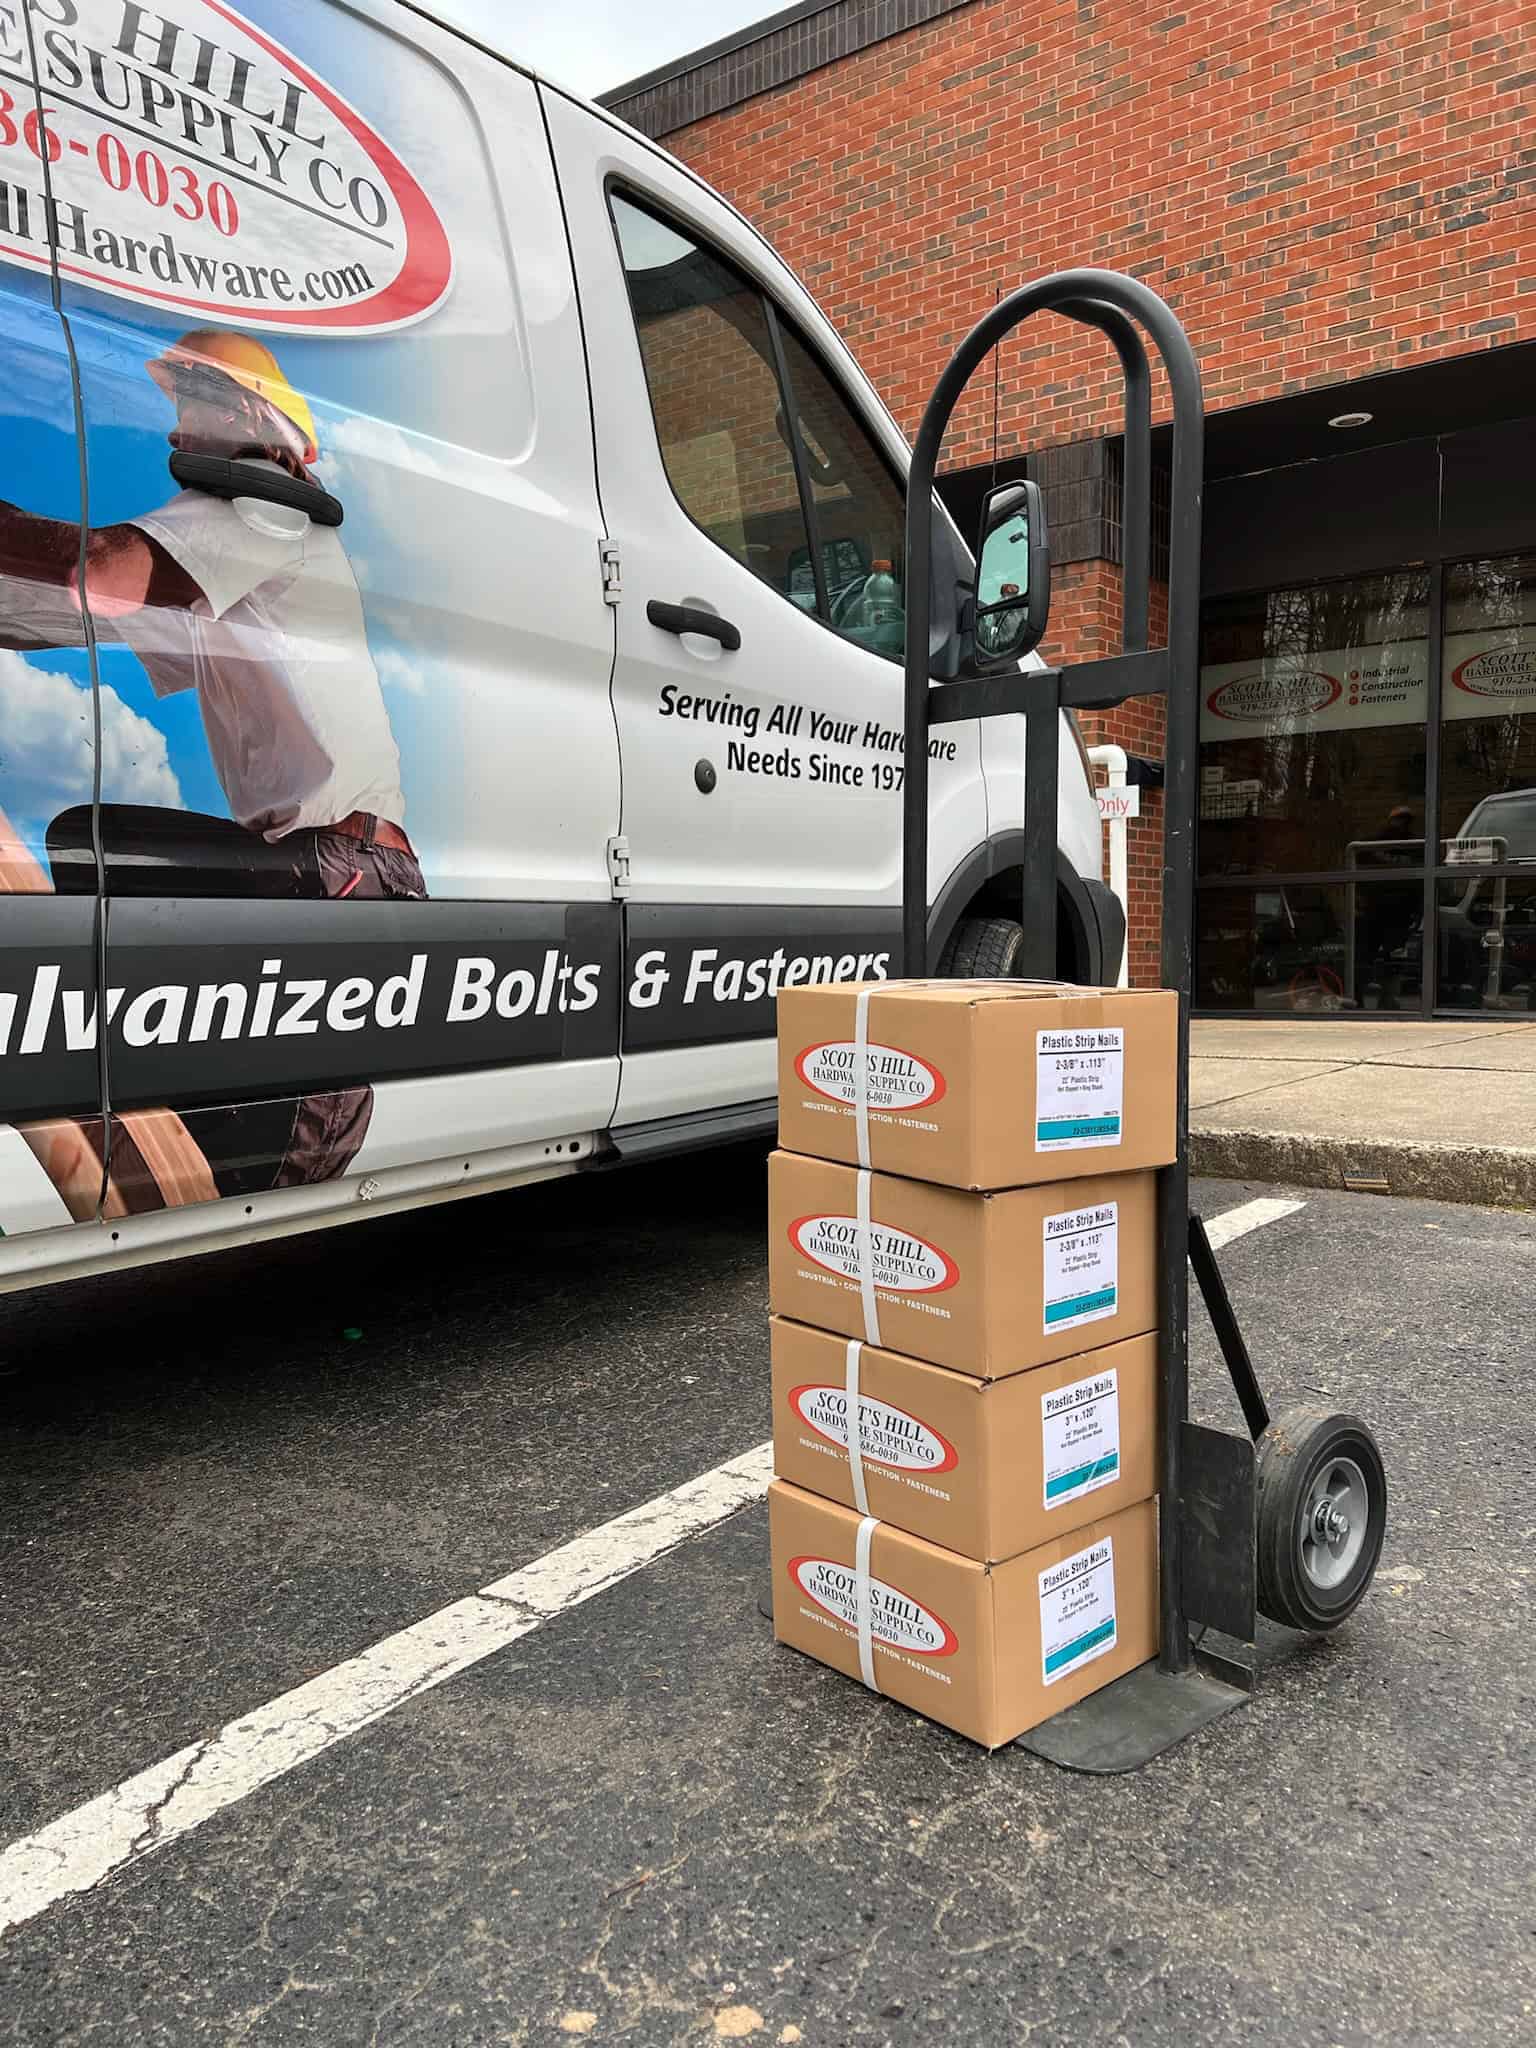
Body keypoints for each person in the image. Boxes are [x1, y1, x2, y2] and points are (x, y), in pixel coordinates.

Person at [0, 330, 420, 1191]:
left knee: (272, 1176)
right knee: (96, 841)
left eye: (194, 403)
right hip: (291, 868)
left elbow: (104, 577)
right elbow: (74, 613)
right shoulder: (224, 561)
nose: (177, 430)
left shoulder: (263, 513)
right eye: (177, 407)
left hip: (344, 876)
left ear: (251, 421)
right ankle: (159, 1081)